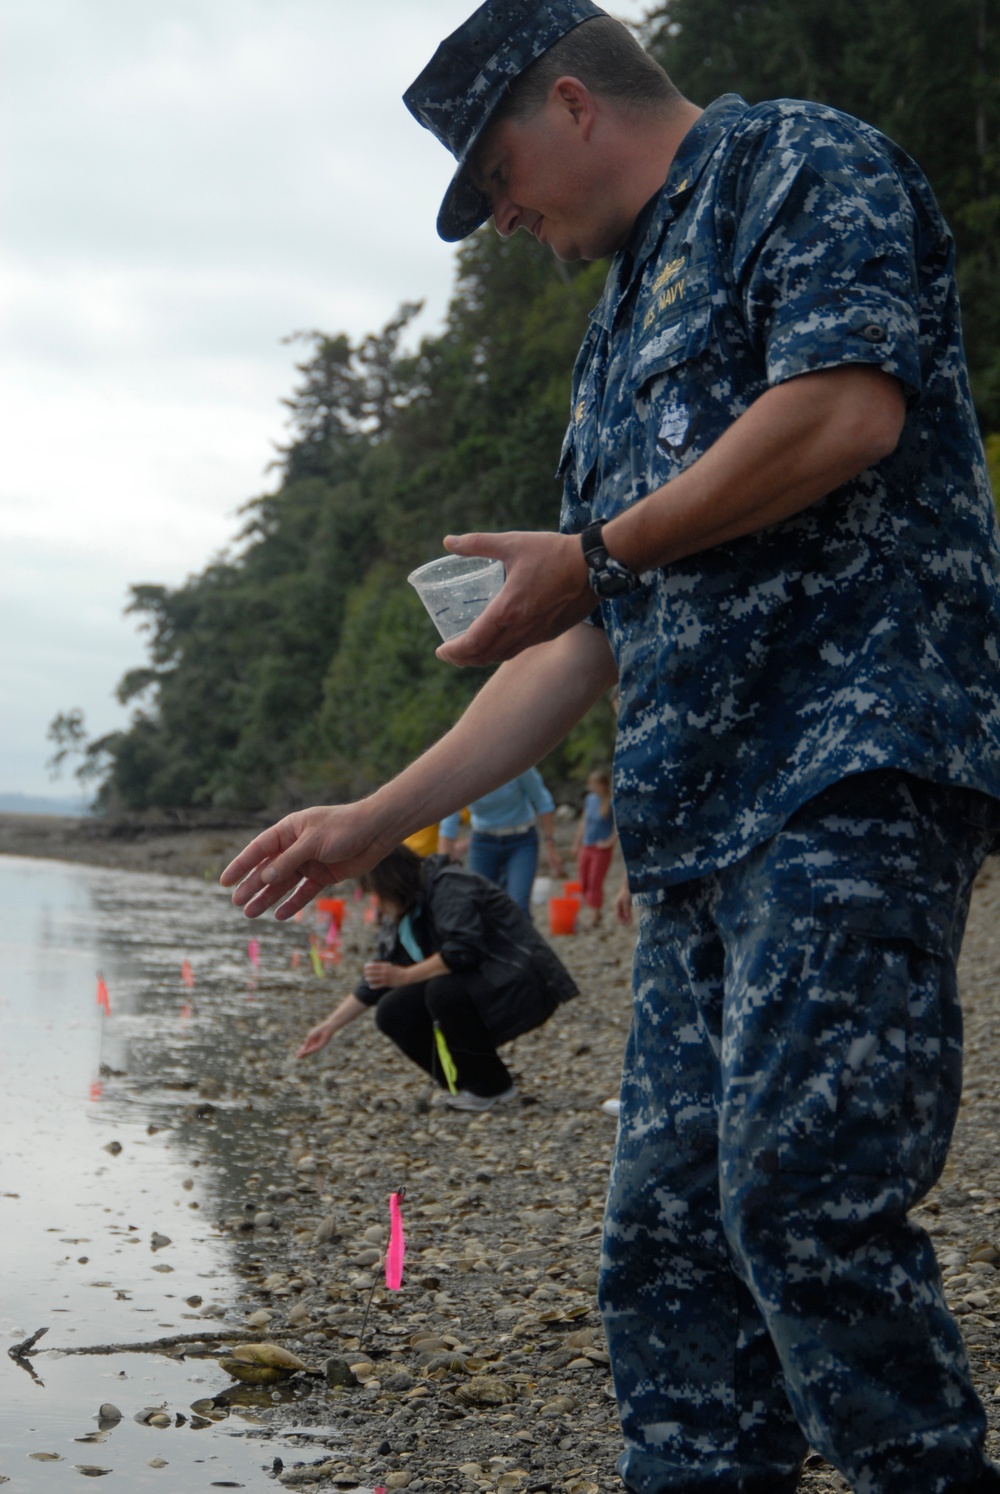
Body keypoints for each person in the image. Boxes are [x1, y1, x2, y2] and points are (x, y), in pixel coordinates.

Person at [222, 4, 1000, 1490]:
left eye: (497, 175)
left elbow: (841, 411)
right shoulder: (612, 341)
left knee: (802, 1208)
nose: (501, 215)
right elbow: (585, 631)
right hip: (695, 828)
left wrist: (597, 552)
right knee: (659, 1242)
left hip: (851, 770)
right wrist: (366, 816)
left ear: (571, 101)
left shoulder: (803, 165)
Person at [296, 845, 577, 1111]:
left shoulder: (450, 885)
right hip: (483, 984)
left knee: (442, 991)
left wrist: (405, 975)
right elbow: (379, 978)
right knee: (392, 1011)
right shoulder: (407, 912)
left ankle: (491, 1087)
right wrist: (329, 1026)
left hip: (525, 985)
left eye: (378, 895)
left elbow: (462, 951)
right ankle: (467, 1084)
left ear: (393, 884)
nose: (378, 905)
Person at [438, 767, 563, 913]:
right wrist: (443, 865)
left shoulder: (518, 765)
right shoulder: (462, 775)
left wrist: (550, 846)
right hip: (483, 842)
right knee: (478, 903)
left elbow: (543, 801)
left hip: (521, 840)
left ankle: (520, 933)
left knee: (518, 904)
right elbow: (449, 822)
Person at [571, 767, 616, 926]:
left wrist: (610, 842)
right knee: (582, 878)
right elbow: (583, 822)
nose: (594, 788)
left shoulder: (611, 802)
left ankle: (595, 916)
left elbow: (618, 826)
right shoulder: (590, 799)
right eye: (592, 784)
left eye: (597, 784)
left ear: (604, 785)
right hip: (587, 845)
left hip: (601, 848)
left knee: (595, 880)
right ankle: (579, 914)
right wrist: (577, 843)